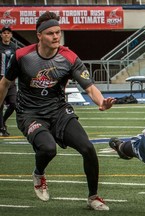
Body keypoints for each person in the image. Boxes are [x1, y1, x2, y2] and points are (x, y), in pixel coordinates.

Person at [0, 12, 115, 210]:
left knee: (88, 148)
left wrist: (101, 101)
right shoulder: (22, 56)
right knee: (47, 148)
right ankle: (39, 173)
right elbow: (5, 84)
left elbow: (89, 86)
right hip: (30, 113)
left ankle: (93, 197)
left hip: (59, 111)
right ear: (39, 35)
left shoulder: (68, 58)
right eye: (51, 33)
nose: (56, 37)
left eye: (58, 32)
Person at [0, 26, 17, 136]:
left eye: (8, 33)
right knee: (0, 105)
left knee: (14, 103)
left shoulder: (14, 47)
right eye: (4, 33)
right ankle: (1, 127)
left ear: (11, 35)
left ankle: (4, 121)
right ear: (1, 35)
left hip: (10, 79)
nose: (6, 35)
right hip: (0, 78)